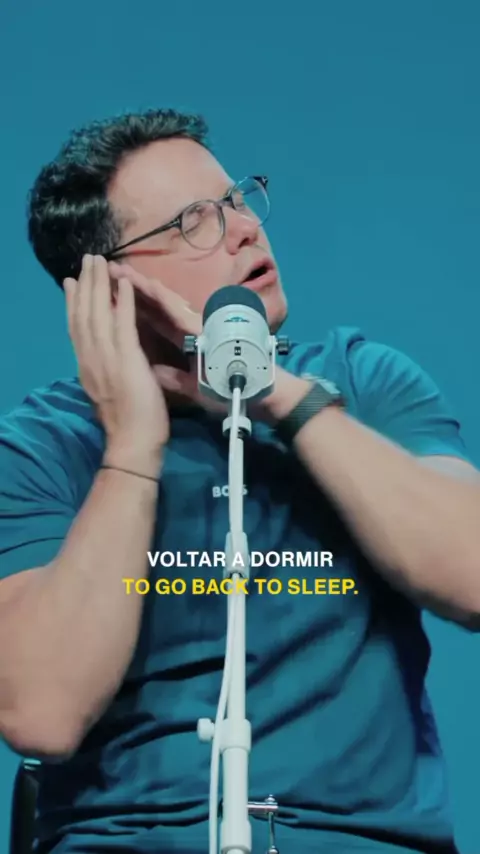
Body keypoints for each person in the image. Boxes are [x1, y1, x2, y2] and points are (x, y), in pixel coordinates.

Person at [0, 108, 479, 854]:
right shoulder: (42, 447)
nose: (246, 230)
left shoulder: (362, 382)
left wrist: (271, 392)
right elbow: (41, 713)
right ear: (109, 286)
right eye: (196, 221)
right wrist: (132, 445)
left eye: (238, 200)